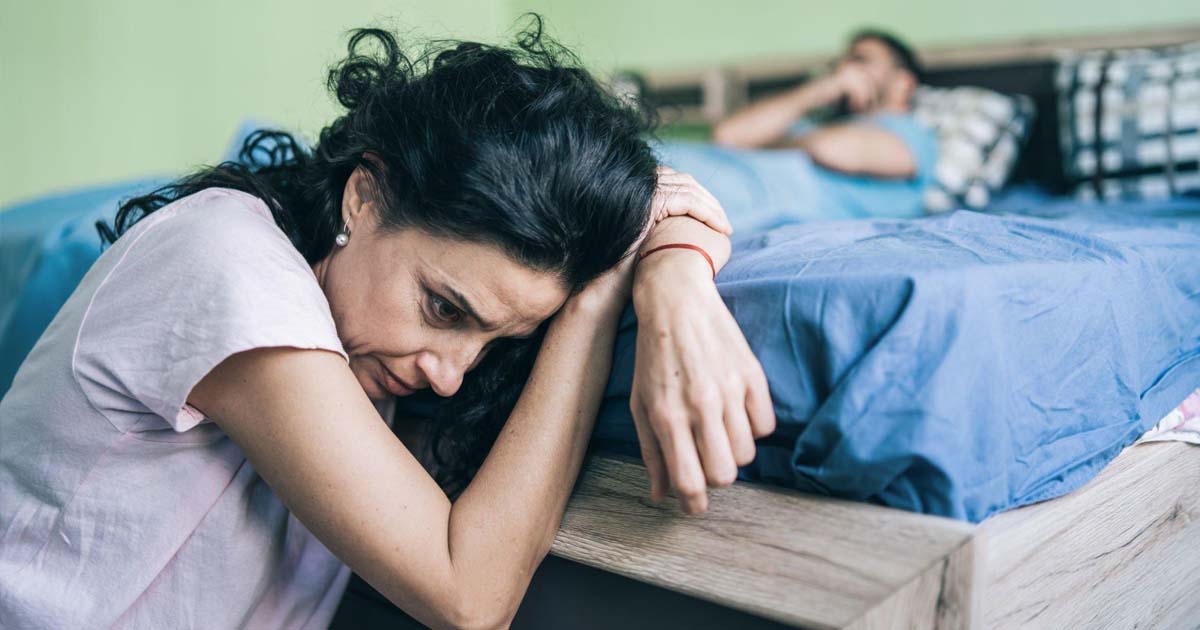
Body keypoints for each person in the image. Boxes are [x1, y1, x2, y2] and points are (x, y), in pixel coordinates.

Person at [0, 20, 774, 629]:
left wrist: (673, 272)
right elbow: (469, 597)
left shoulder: (346, 323)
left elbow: (660, 193)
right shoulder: (226, 263)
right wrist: (599, 301)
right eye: (443, 307)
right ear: (363, 196)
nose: (448, 372)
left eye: (498, 342)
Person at [658, 29, 939, 229]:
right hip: (688, 166)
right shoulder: (816, 124)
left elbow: (830, 149)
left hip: (734, 197)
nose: (843, 68)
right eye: (840, 63)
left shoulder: (913, 135)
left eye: (860, 60)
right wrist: (822, 89)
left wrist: (775, 143)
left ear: (904, 83)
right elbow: (727, 135)